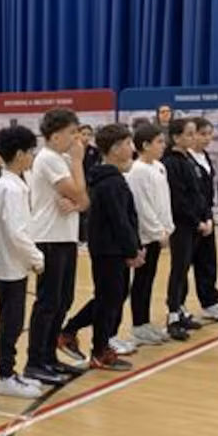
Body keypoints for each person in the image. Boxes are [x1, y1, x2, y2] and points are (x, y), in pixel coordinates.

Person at [25, 108, 87, 388]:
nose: (77, 139)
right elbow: (78, 192)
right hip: (48, 237)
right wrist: (77, 162)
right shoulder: (50, 158)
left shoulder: (62, 159)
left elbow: (84, 202)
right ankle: (35, 362)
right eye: (73, 132)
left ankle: (49, 356)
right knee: (48, 302)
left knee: (64, 299)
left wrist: (77, 202)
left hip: (65, 237)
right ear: (56, 134)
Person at [0, 125, 46, 398]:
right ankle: (5, 374)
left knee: (13, 320)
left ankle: (9, 372)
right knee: (10, 322)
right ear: (20, 153)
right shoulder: (9, 188)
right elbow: (15, 232)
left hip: (14, 266)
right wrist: (36, 257)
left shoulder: (14, 183)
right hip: (8, 267)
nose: (33, 156)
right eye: (31, 151)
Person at [83, 124, 142, 371]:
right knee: (109, 300)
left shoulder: (112, 178)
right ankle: (98, 350)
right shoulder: (110, 182)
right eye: (128, 144)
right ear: (116, 149)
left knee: (112, 297)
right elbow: (120, 221)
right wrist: (132, 250)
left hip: (111, 248)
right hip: (109, 250)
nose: (132, 149)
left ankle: (84, 337)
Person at [126, 124, 174, 347]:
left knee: (149, 279)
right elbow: (142, 206)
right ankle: (138, 325)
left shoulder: (159, 167)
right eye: (159, 142)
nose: (163, 146)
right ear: (144, 145)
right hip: (145, 235)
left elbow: (163, 202)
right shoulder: (137, 171)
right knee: (141, 281)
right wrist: (156, 231)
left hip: (158, 232)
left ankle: (144, 322)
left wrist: (167, 228)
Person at [163, 118, 206, 340]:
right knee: (178, 268)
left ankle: (180, 308)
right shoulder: (171, 163)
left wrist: (205, 217)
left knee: (185, 267)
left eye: (193, 133)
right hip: (181, 225)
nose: (193, 137)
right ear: (176, 137)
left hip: (194, 224)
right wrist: (195, 220)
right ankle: (171, 315)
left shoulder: (190, 159)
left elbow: (198, 193)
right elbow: (178, 200)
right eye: (188, 134)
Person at [189, 118, 218, 322]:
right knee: (184, 267)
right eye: (202, 134)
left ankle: (209, 301)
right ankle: (177, 309)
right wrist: (198, 218)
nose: (207, 139)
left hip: (206, 217)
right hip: (190, 220)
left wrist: (208, 217)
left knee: (207, 262)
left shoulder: (205, 156)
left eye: (209, 134)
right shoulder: (184, 159)